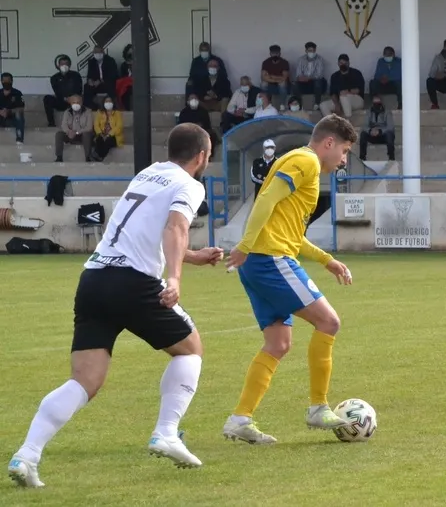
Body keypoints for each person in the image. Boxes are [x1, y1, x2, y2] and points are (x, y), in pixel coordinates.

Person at [8, 124, 223, 487]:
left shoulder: (147, 174)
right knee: (190, 349)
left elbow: (140, 232)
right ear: (202, 156)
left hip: (94, 279)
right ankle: (166, 432)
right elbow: (174, 228)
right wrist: (174, 278)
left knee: (84, 380)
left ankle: (27, 455)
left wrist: (192, 257)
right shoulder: (190, 184)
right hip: (133, 283)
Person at [223, 115, 359, 445]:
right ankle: (318, 407)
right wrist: (245, 244)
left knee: (278, 343)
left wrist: (326, 260)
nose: (343, 160)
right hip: (270, 259)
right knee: (329, 322)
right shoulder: (306, 161)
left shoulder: (301, 164)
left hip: (261, 261)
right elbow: (265, 199)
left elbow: (292, 234)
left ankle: (240, 419)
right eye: (344, 151)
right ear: (329, 143)